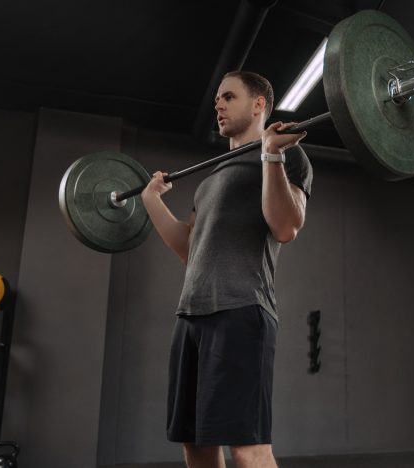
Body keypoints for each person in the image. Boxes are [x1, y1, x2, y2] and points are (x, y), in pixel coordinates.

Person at [141, 70, 313, 468]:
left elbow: (286, 226)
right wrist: (152, 202)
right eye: (218, 98)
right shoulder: (209, 181)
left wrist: (271, 154)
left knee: (247, 448)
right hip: (191, 316)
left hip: (240, 310)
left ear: (258, 104)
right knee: (196, 445)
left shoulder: (287, 153)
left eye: (229, 97)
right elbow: (190, 249)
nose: (217, 104)